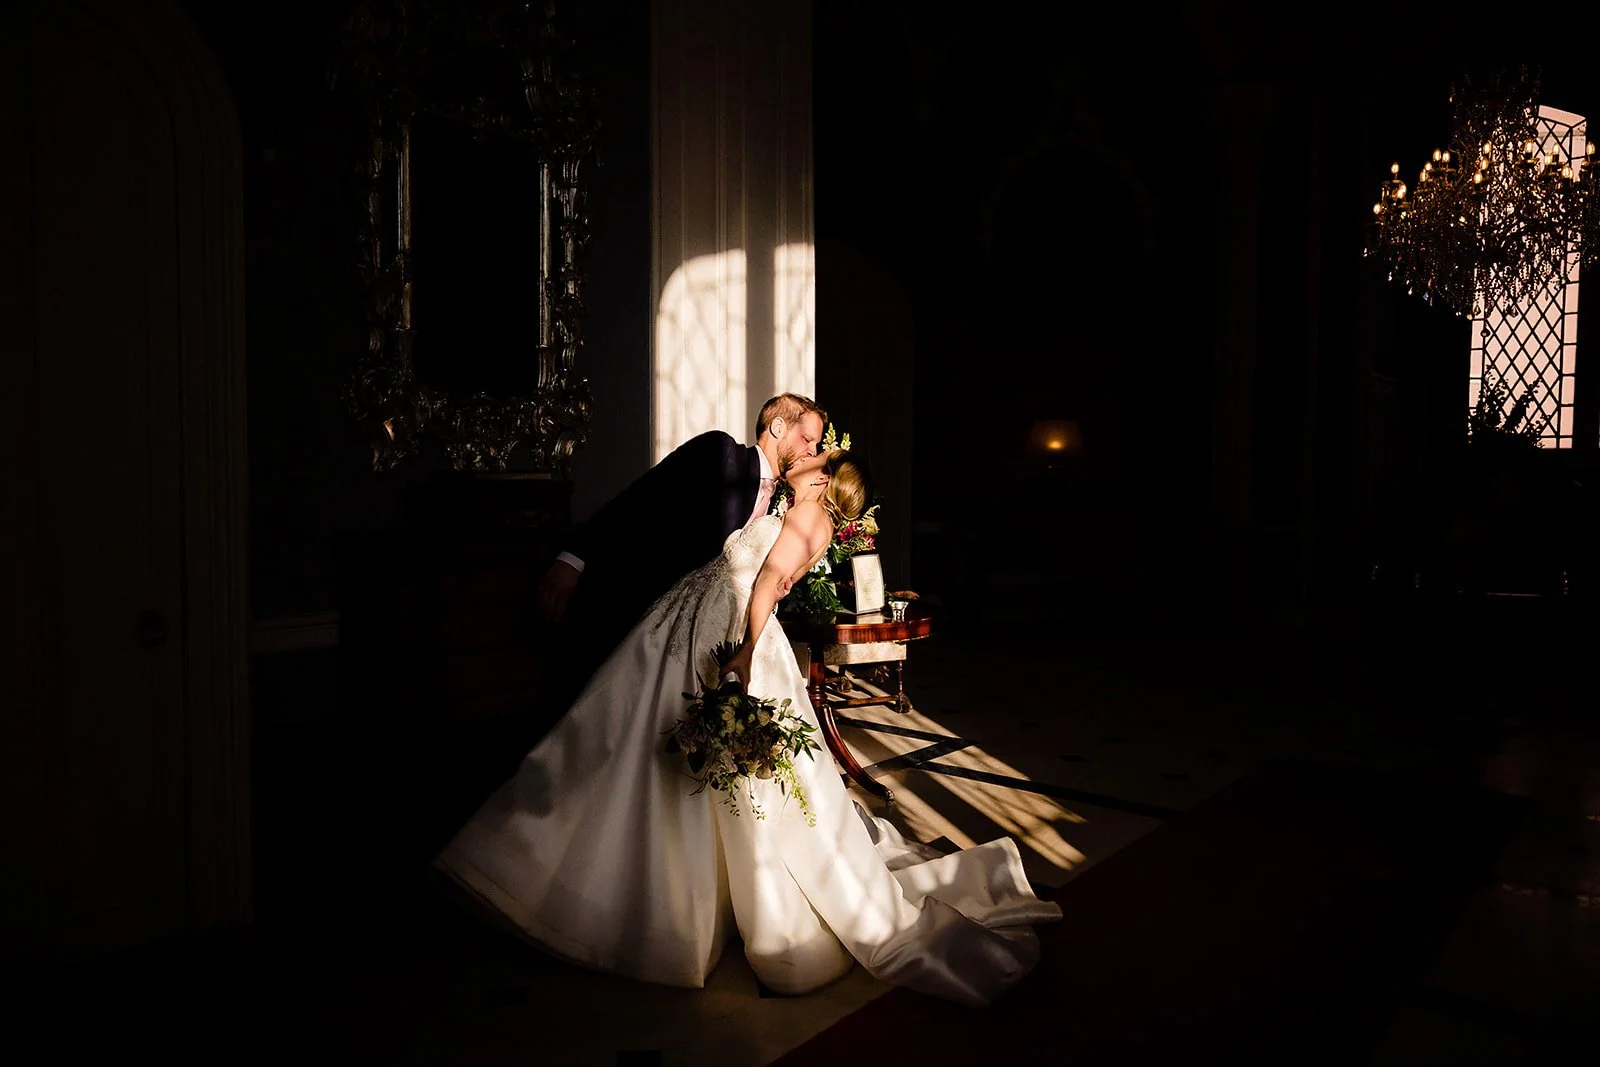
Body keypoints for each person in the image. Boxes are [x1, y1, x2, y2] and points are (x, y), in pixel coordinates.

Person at [435, 450, 1062, 1007]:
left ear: (826, 480)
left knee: (714, 770)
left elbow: (765, 584)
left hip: (734, 640)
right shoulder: (804, 514)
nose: (811, 455)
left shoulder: (805, 519)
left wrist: (741, 655)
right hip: (700, 629)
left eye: (820, 457)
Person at [535, 393, 828, 716]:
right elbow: (638, 498)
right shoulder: (720, 452)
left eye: (815, 446)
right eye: (807, 440)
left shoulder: (782, 506)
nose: (812, 453)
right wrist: (574, 558)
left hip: (696, 639)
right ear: (776, 428)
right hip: (635, 604)